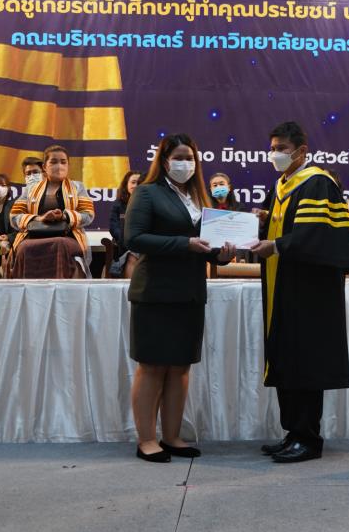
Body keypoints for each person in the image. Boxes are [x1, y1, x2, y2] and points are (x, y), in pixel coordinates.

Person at [250, 121, 349, 463]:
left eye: (282, 148)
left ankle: (308, 438)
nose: (276, 154)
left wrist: (276, 245)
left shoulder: (317, 182)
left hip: (310, 288)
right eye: (273, 148)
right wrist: (266, 222)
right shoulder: (282, 184)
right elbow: (287, 229)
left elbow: (315, 234)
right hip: (283, 283)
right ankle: (293, 432)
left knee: (306, 359)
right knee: (286, 356)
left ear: (301, 151)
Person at [124, 134, 234, 462]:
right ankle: (147, 440)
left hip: (190, 292)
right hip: (155, 292)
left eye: (190, 157)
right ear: (164, 160)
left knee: (180, 367)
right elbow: (135, 238)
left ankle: (172, 436)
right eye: (179, 157)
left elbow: (207, 245)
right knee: (152, 366)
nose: (185, 163)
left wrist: (222, 255)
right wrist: (184, 244)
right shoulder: (147, 192)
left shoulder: (198, 198)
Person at [9, 145, 95, 278]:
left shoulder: (78, 187)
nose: (59, 166)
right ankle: (28, 290)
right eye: (53, 162)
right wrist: (40, 218)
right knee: (24, 248)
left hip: (68, 237)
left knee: (60, 244)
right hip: (34, 236)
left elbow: (88, 215)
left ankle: (61, 290)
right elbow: (14, 217)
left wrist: (65, 216)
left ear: (68, 165)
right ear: (45, 167)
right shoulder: (30, 190)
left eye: (63, 162)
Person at [109, 169, 142, 278]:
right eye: (133, 182)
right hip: (125, 246)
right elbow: (114, 228)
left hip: (145, 246)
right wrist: (128, 239)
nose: (136, 185)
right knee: (131, 256)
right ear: (126, 185)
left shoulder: (150, 204)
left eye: (139, 183)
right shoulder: (118, 205)